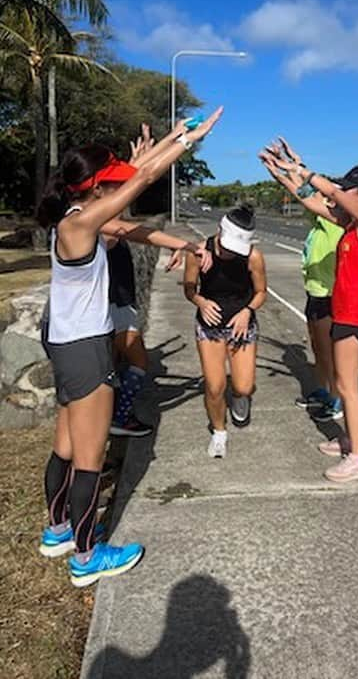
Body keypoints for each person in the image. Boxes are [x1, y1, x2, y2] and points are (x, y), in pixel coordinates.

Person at [36, 107, 223, 586]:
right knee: (89, 457)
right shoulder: (78, 226)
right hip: (84, 349)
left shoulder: (78, 219)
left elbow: (135, 227)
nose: (119, 189)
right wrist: (188, 139)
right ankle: (86, 556)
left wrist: (177, 244)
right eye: (111, 183)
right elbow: (144, 176)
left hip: (67, 345)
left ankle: (58, 532)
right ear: (96, 187)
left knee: (64, 445)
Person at [260, 141, 358, 483]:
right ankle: (350, 440)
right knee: (343, 385)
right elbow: (310, 198)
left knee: (347, 387)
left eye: (349, 189)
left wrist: (304, 170)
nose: (341, 193)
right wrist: (283, 173)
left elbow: (328, 189)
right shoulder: (347, 224)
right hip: (344, 309)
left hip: (356, 313)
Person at [102, 123, 212, 439]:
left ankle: (113, 415)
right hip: (114, 301)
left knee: (117, 362)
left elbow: (135, 175)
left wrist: (166, 141)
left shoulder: (93, 216)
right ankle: (117, 417)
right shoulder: (98, 221)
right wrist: (183, 139)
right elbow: (139, 178)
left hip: (116, 299)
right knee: (134, 360)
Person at [184, 205, 267, 459]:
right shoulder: (199, 253)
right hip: (209, 328)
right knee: (214, 386)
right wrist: (201, 302)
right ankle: (219, 432)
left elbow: (262, 292)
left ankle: (241, 398)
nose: (231, 253)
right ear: (219, 231)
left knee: (243, 386)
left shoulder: (253, 257)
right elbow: (189, 289)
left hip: (242, 326)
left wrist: (248, 311)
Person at [279, 140, 344, 421]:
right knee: (318, 348)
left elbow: (306, 190)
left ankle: (337, 400)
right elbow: (304, 191)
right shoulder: (319, 223)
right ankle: (321, 390)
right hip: (315, 293)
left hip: (330, 296)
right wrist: (292, 166)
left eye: (330, 197)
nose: (323, 200)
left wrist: (291, 170)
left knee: (329, 353)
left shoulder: (336, 221)